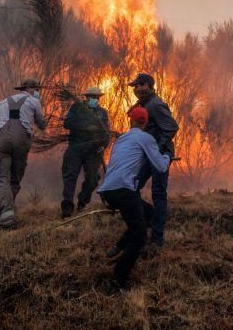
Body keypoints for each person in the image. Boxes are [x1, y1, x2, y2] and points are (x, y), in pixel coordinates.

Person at [98, 107, 170, 289]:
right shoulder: (146, 138)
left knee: (149, 213)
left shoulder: (121, 139)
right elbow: (161, 167)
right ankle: (118, 279)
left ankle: (120, 245)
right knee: (139, 238)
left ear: (131, 121)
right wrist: (168, 155)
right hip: (124, 191)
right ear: (145, 122)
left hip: (108, 191)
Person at [0, 78, 47, 229]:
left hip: (2, 140)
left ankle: (1, 212)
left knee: (1, 178)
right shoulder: (33, 102)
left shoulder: (2, 102)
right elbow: (42, 124)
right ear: (31, 89)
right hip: (22, 142)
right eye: (37, 90)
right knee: (14, 179)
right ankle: (7, 218)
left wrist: (4, 137)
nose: (38, 92)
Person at [128, 72, 179, 246]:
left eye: (141, 85)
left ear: (149, 86)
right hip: (148, 155)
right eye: (135, 86)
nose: (137, 89)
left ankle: (157, 238)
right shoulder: (142, 104)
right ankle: (149, 217)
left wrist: (157, 148)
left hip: (160, 155)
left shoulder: (156, 105)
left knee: (158, 193)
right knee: (131, 187)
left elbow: (171, 127)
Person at [60, 86, 111, 218]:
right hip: (76, 148)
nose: (95, 99)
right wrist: (87, 127)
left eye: (97, 98)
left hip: (93, 150)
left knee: (93, 178)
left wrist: (103, 145)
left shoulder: (102, 113)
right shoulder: (77, 108)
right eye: (92, 97)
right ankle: (67, 208)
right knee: (70, 177)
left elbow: (106, 132)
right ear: (86, 97)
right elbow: (67, 124)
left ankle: (82, 202)